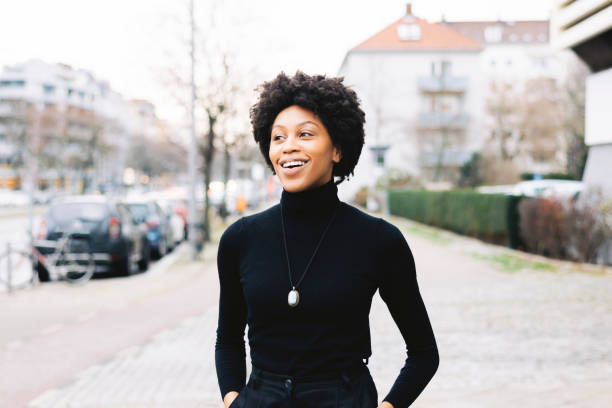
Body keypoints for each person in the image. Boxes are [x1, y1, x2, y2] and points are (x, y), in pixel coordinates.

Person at [215, 71, 439, 408]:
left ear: (337, 148)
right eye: (278, 137)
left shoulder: (379, 241)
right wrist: (233, 400)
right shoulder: (240, 239)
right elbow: (228, 340)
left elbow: (423, 353)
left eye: (305, 134)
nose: (289, 146)